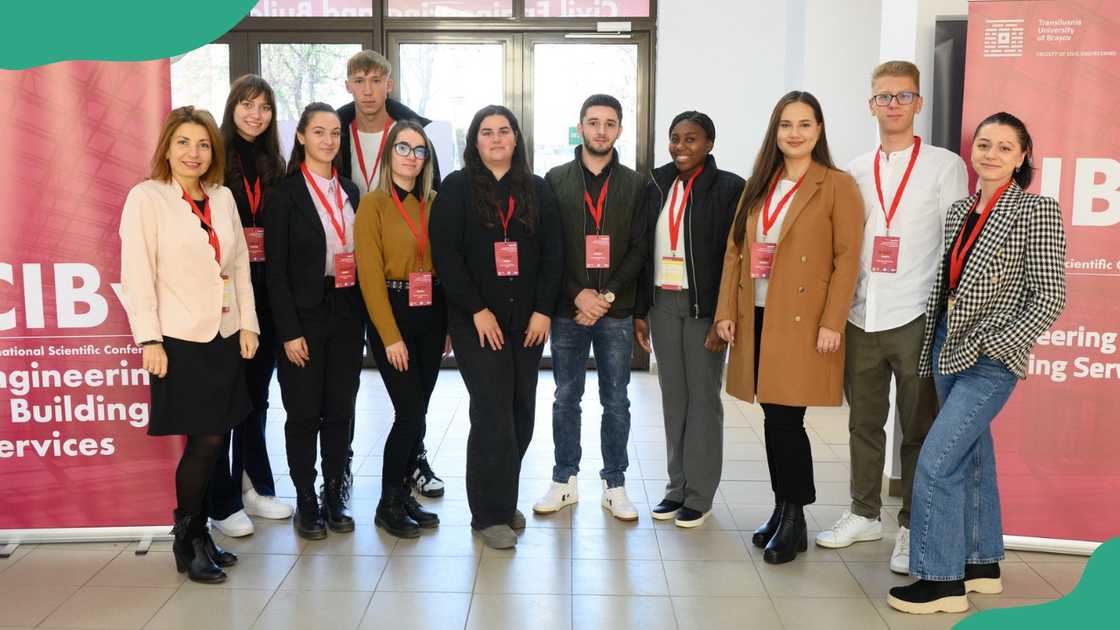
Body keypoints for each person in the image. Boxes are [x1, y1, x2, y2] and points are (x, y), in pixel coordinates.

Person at [888, 112, 1066, 614]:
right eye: (984, 144)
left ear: (1022, 156)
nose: (990, 154)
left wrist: (997, 343)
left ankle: (941, 581)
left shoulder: (1037, 211)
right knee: (972, 456)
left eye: (1004, 147)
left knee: (937, 463)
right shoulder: (962, 210)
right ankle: (982, 562)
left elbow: (1049, 297)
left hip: (991, 358)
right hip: (947, 346)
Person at [815, 61, 968, 574]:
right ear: (871, 105)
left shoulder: (946, 166)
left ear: (919, 104)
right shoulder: (855, 170)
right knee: (862, 421)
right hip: (862, 313)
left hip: (916, 313)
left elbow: (955, 244)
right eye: (885, 96)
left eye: (904, 96)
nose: (894, 104)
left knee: (917, 427)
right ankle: (864, 513)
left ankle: (911, 524)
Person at [714, 91, 863, 564]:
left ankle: (795, 517)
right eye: (786, 125)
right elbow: (736, 251)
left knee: (786, 419)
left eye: (804, 124)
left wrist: (832, 320)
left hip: (801, 321)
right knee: (772, 418)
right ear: (774, 133)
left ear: (819, 131)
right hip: (755, 313)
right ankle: (782, 508)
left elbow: (847, 259)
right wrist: (725, 312)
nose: (794, 133)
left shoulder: (836, 184)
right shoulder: (760, 184)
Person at [119, 106, 259, 583]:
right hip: (178, 338)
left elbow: (238, 266)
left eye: (202, 144)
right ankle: (187, 537)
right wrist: (149, 339)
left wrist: (249, 325)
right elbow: (136, 272)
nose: (193, 153)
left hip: (223, 335)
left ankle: (201, 531)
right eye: (183, 143)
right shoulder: (147, 197)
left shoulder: (221, 198)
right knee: (206, 440)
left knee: (216, 437)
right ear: (167, 147)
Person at [429, 105, 563, 549]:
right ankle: (487, 515)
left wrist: (544, 310)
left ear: (516, 139)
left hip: (527, 322)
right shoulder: (457, 188)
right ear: (475, 142)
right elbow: (446, 256)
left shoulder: (538, 190)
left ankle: (502, 499)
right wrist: (475, 310)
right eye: (487, 132)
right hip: (477, 322)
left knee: (521, 412)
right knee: (492, 414)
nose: (496, 139)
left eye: (504, 131)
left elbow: (552, 254)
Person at [533, 94, 646, 521]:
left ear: (620, 129)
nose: (601, 130)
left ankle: (614, 484)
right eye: (593, 122)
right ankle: (565, 481)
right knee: (566, 396)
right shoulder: (555, 179)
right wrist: (577, 293)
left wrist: (606, 298)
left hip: (614, 313)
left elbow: (638, 250)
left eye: (610, 123)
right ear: (580, 127)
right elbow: (549, 247)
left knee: (616, 399)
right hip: (568, 310)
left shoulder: (636, 185)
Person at [338, 49, 445, 499]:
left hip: (422, 298)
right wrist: (388, 334)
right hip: (353, 276)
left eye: (375, 80)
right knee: (374, 397)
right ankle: (361, 481)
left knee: (415, 404)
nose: (367, 89)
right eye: (359, 80)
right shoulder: (335, 133)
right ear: (349, 86)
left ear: (389, 84)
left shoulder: (418, 153)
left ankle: (411, 469)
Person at [634, 111, 744, 529]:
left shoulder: (730, 188)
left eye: (691, 139)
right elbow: (642, 246)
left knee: (702, 400)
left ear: (710, 144)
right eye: (675, 138)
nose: (681, 147)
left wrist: (724, 315)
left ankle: (699, 495)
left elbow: (735, 257)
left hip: (704, 308)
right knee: (673, 398)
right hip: (663, 302)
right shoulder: (656, 184)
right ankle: (675, 487)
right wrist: (641, 310)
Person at [264, 102, 365, 541]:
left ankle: (335, 492)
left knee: (341, 409)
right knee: (304, 411)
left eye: (335, 134)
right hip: (302, 314)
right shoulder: (283, 194)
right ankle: (306, 496)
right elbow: (275, 271)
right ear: (301, 137)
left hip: (345, 309)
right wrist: (288, 331)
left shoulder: (351, 190)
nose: (328, 140)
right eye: (319, 132)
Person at [206, 74, 294, 539]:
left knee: (258, 397)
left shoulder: (275, 163)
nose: (255, 114)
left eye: (263, 107)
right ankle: (219, 500)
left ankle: (254, 485)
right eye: (246, 105)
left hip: (266, 293)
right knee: (227, 398)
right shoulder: (214, 160)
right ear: (232, 107)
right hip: (222, 294)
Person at [355, 120, 446, 538]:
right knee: (408, 413)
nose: (412, 157)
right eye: (404, 148)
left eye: (419, 150)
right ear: (389, 153)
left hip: (431, 313)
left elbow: (444, 267)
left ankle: (405, 493)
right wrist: (389, 336)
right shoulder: (372, 204)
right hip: (392, 311)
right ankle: (388, 502)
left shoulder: (435, 202)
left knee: (420, 413)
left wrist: (445, 326)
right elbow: (369, 277)